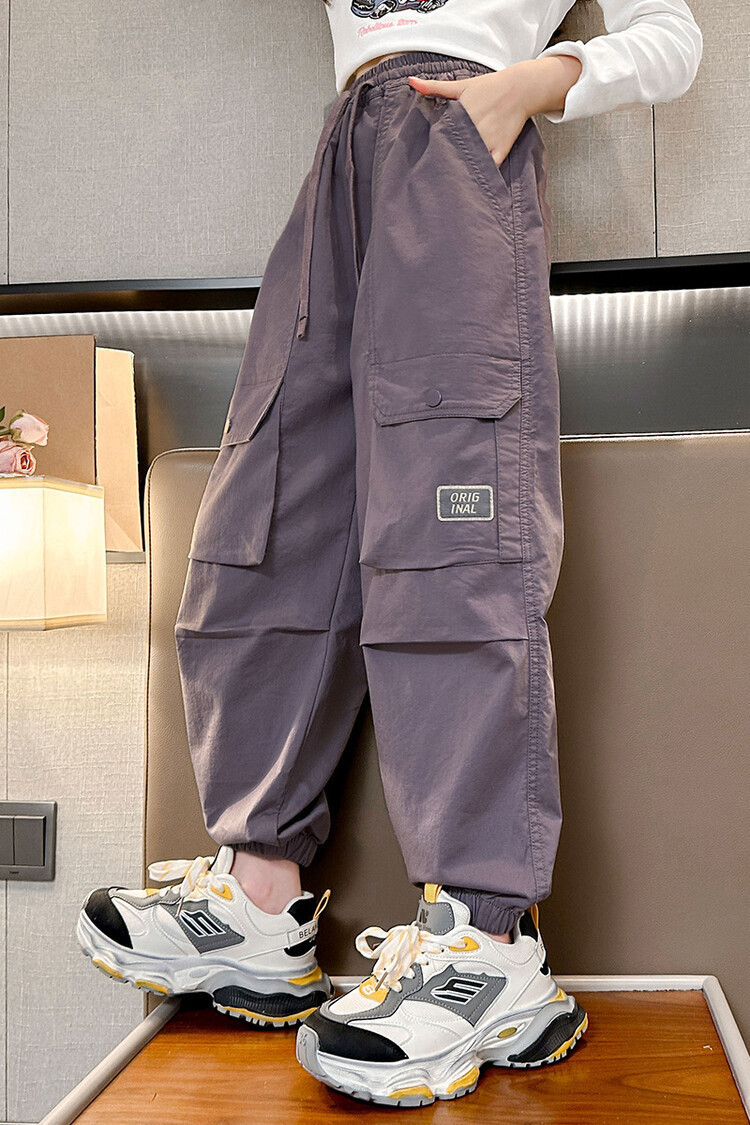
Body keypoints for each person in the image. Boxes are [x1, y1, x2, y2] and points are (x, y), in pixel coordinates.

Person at [77, 0, 702, 1108]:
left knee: (450, 541)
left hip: (460, 141)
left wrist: (532, 85)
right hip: (340, 159)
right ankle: (258, 899)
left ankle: (487, 944)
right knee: (268, 519)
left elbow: (673, 36)